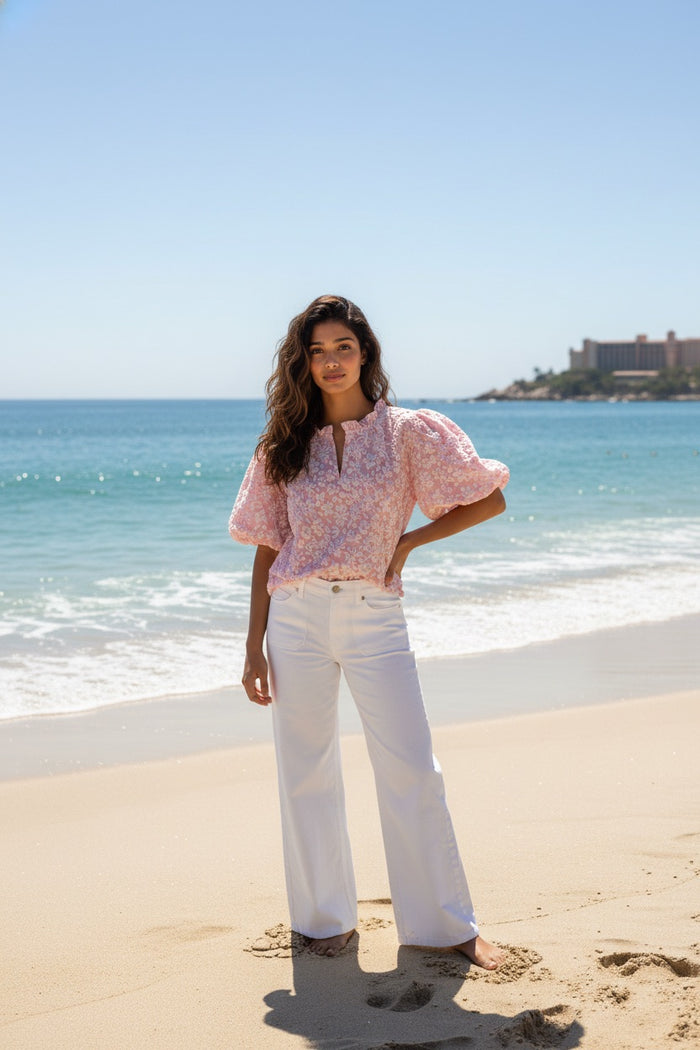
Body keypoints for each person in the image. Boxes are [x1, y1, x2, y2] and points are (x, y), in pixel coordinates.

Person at [229, 295, 509, 966]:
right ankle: (323, 920)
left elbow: (489, 499)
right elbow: (268, 547)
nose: (331, 362)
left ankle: (446, 926)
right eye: (317, 351)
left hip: (374, 614)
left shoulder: (408, 433)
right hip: (294, 619)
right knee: (305, 772)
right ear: (303, 363)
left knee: (412, 767)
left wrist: (408, 542)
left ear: (365, 354)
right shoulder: (282, 445)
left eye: (343, 348)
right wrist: (253, 647)